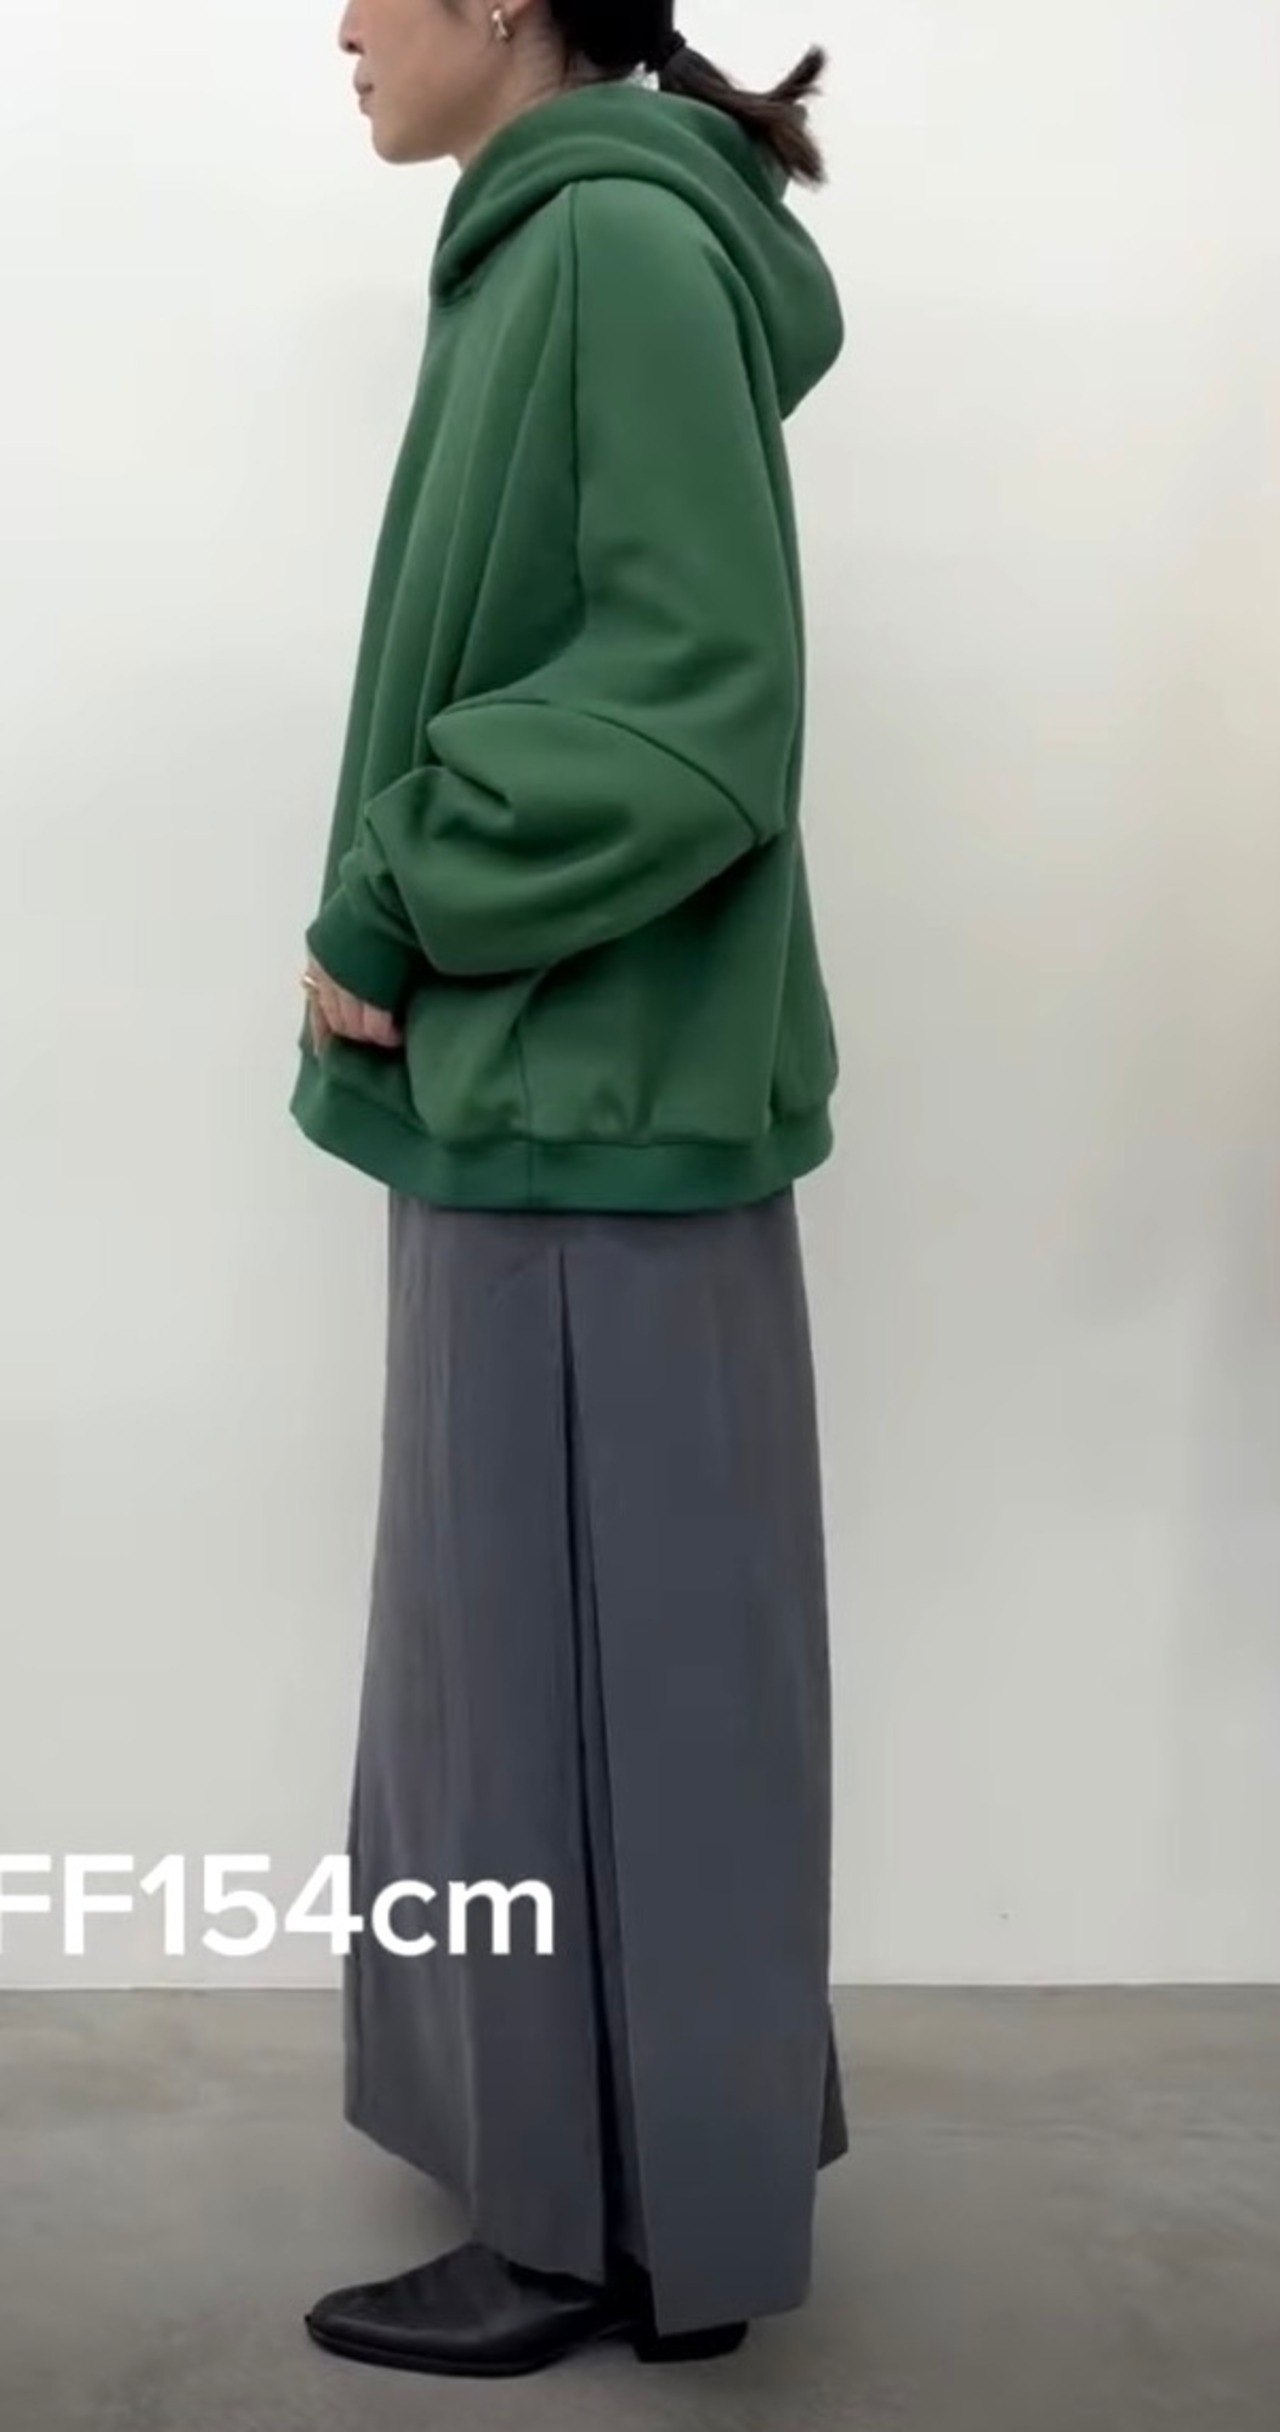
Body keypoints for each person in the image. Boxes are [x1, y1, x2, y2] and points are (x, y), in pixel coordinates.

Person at [291, 0, 849, 2381]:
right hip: (584, 1083)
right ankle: (673, 2207)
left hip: (570, 1087)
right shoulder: (575, 232)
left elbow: (695, 696)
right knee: (648, 1680)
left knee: (548, 1692)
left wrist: (396, 889)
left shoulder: (607, 241)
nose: (335, 22)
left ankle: (576, 2227)